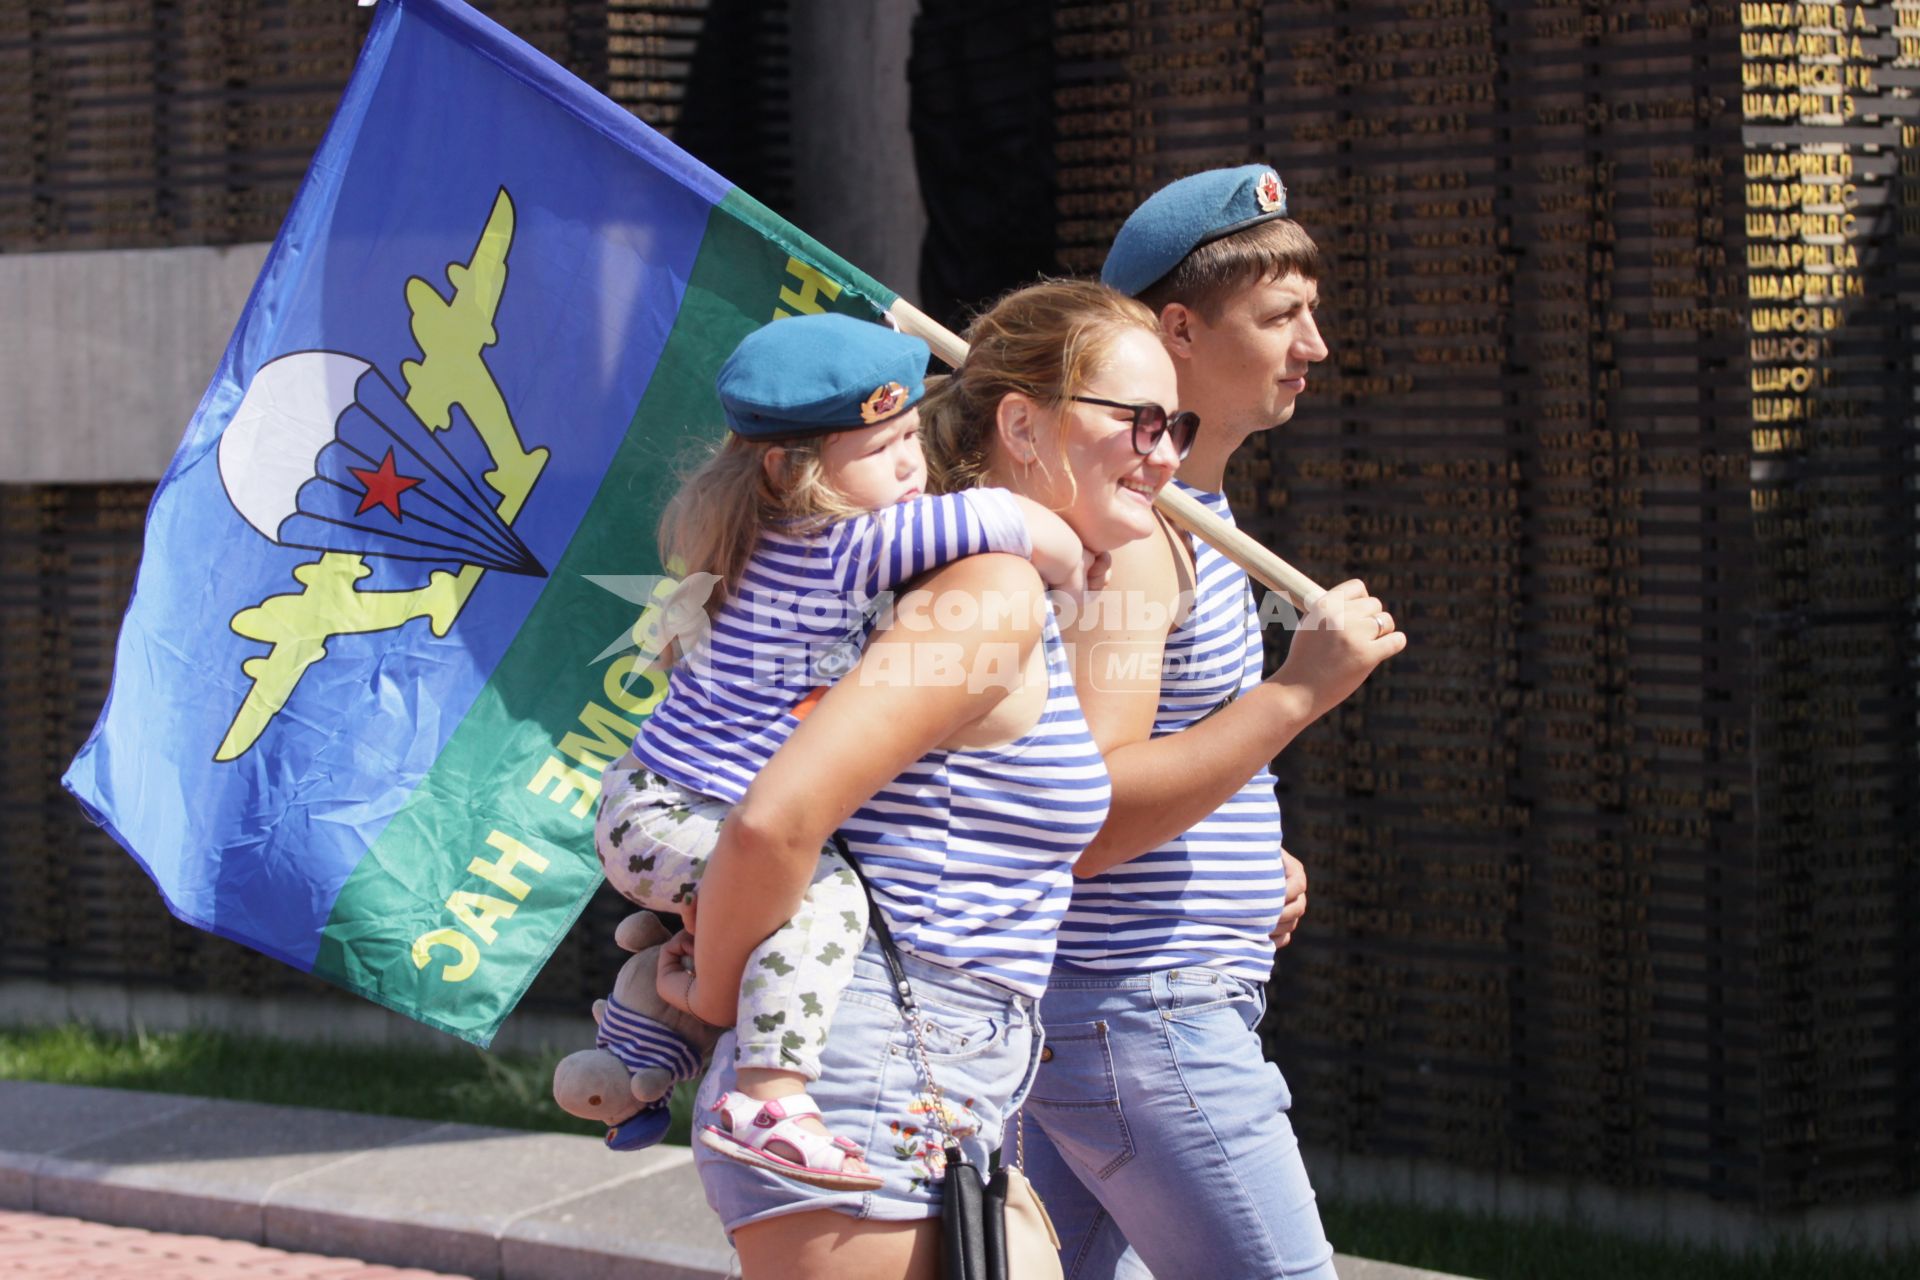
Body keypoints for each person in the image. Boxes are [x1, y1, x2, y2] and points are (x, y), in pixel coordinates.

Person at [660, 280, 1191, 1279]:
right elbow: (775, 822)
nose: (1165, 453)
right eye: (1141, 420)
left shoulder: (997, 584)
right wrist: (720, 995)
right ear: (1023, 426)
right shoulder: (985, 589)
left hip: (939, 1084)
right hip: (874, 1082)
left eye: (1179, 425)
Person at [591, 311, 1090, 1185]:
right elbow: (1011, 521)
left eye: (910, 437)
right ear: (793, 470)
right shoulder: (841, 547)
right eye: (879, 447)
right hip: (676, 809)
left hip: (654, 800)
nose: (908, 463)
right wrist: (1076, 566)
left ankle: (636, 1038)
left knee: (787, 886)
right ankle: (768, 1095)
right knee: (824, 900)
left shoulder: (768, 540)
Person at [1019, 165, 1407, 1279]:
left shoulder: (1179, 513)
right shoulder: (1141, 533)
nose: (1315, 345)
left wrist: (1239, 834)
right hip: (1147, 1014)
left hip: (1125, 1012)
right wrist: (1296, 694)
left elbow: (1149, 762)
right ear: (1178, 329)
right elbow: (1087, 810)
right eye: (1283, 315)